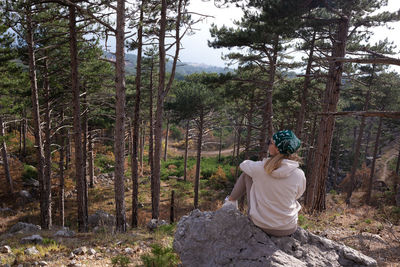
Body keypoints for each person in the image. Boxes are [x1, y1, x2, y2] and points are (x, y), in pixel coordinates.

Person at [223, 130, 306, 237]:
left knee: (247, 175)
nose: (268, 144)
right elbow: (298, 195)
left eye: (270, 143)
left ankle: (230, 202)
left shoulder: (260, 168)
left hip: (261, 224)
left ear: (277, 149)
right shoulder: (299, 174)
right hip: (288, 228)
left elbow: (243, 165)